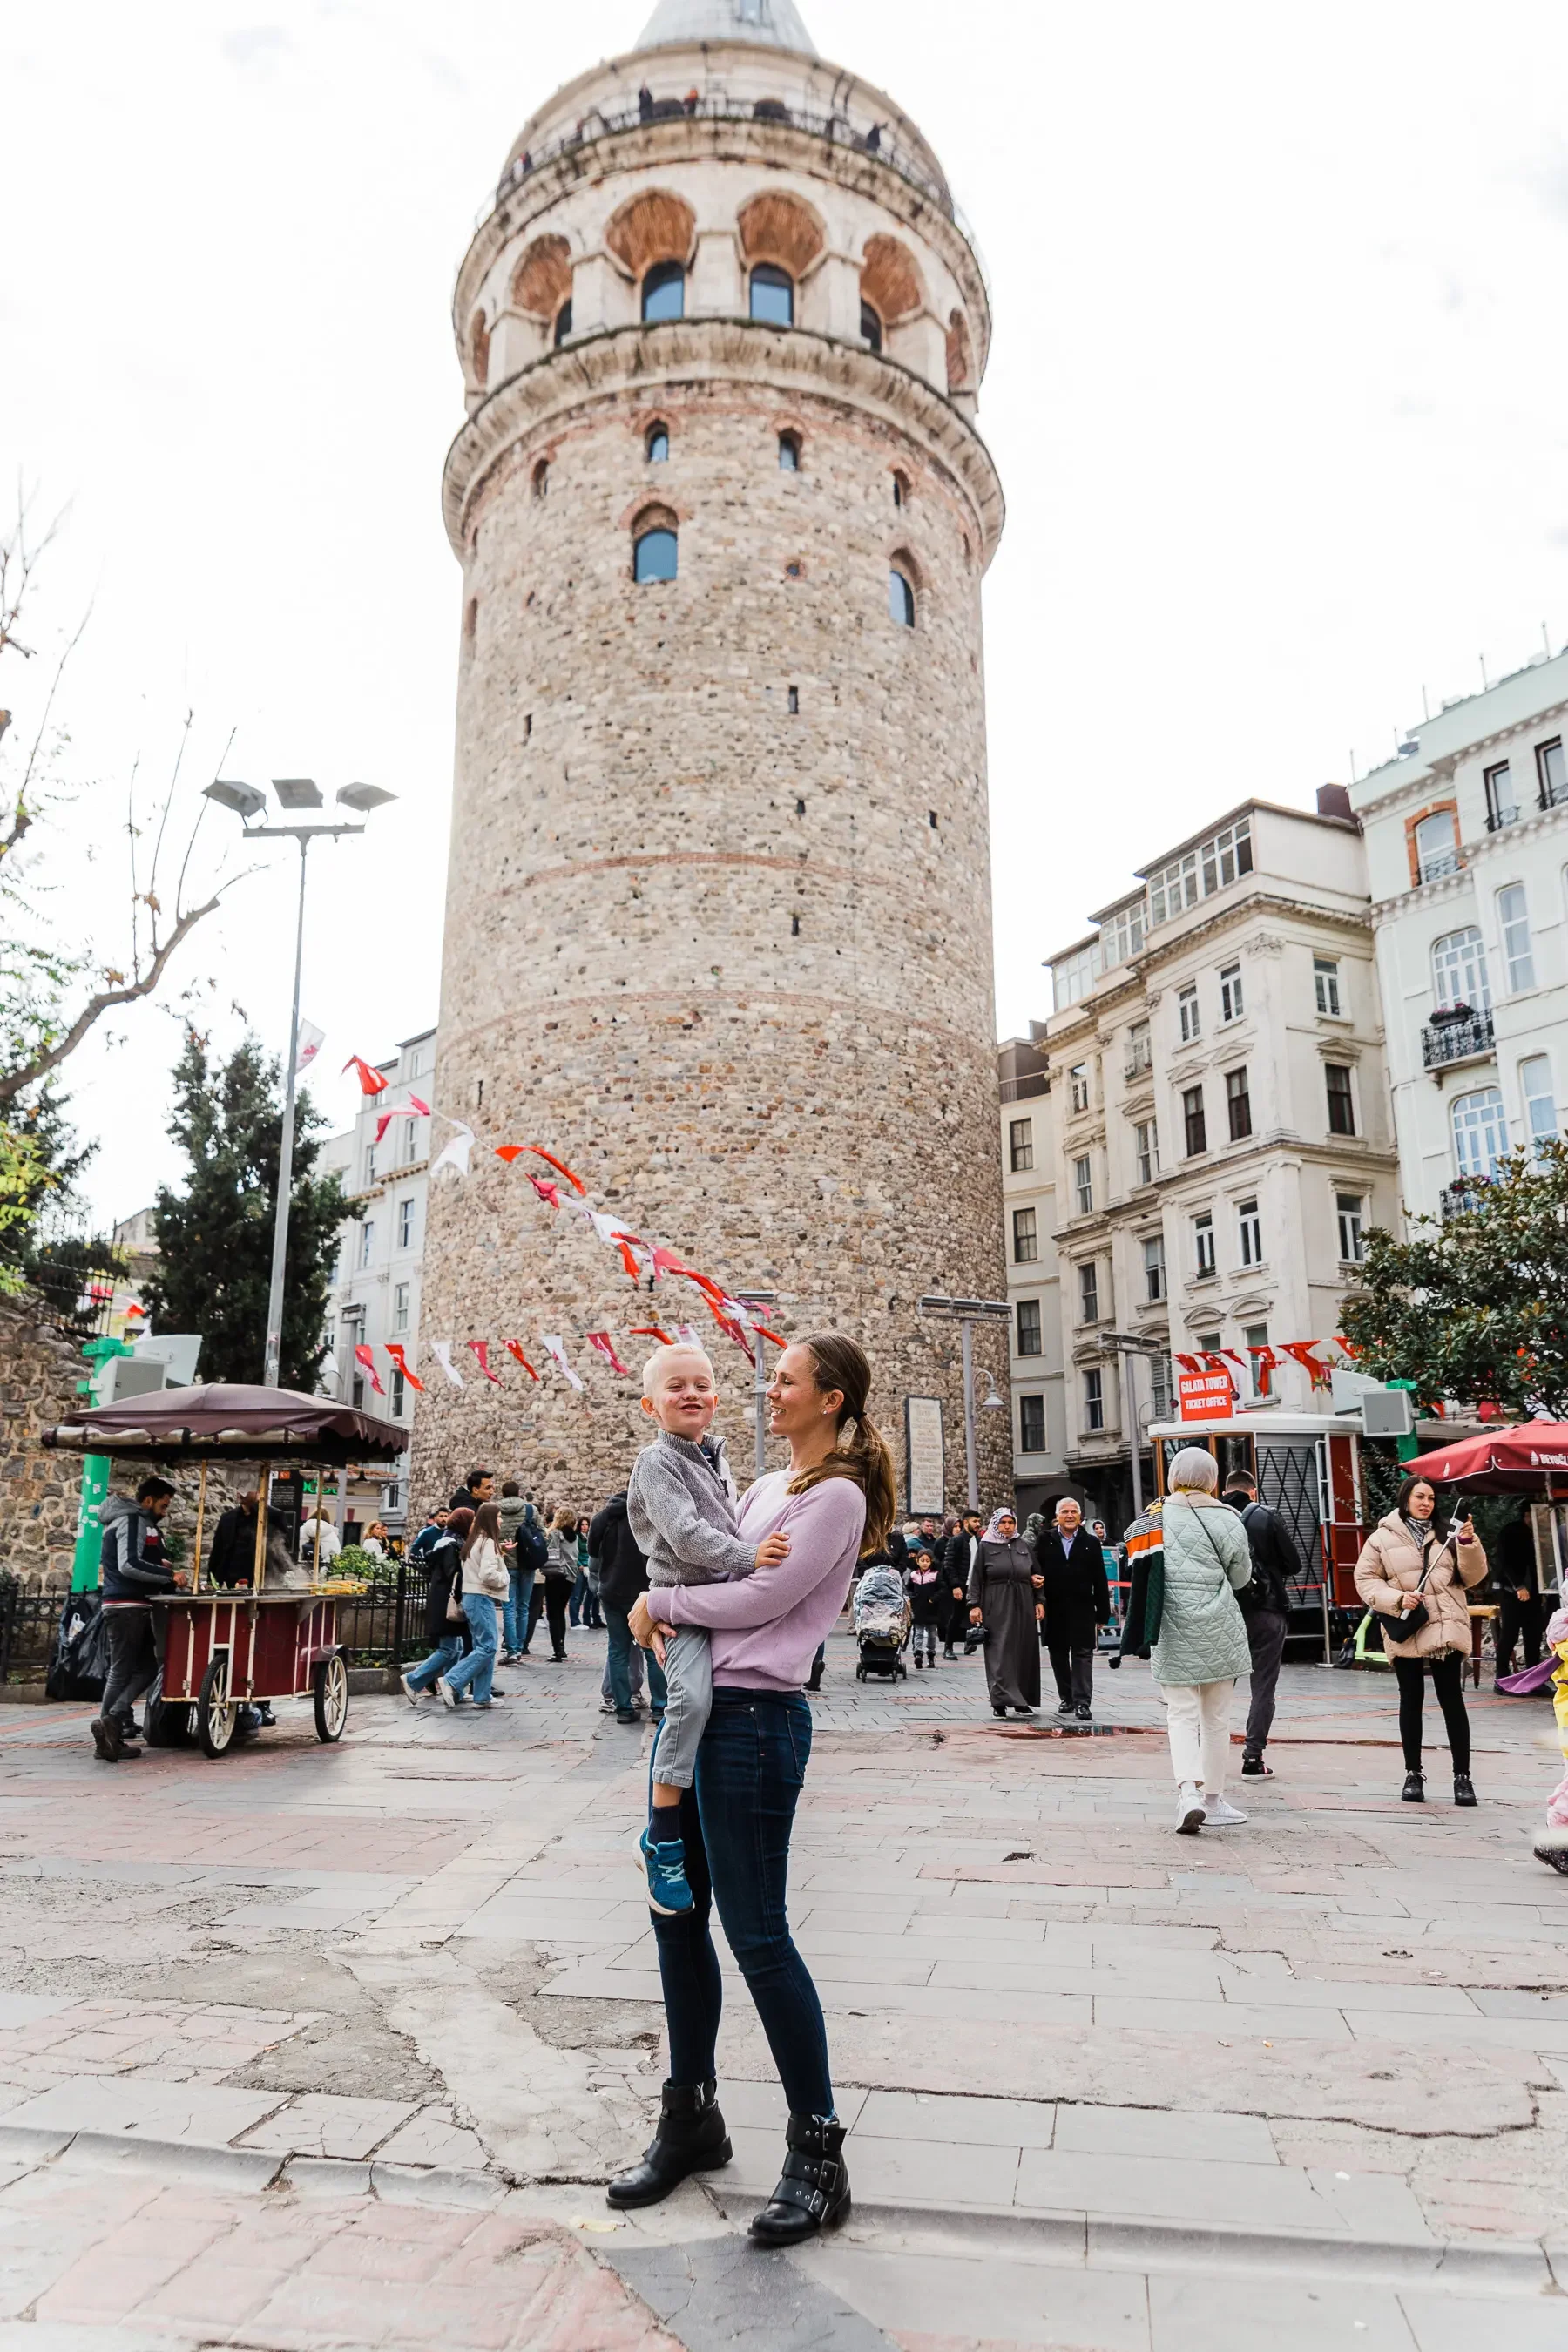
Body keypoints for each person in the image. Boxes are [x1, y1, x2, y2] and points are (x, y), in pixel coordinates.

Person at [615, 1333, 896, 2246]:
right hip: (695, 1717)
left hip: (754, 1725)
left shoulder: (836, 1496)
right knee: (677, 1917)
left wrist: (658, 1606)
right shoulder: (766, 1485)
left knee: (758, 1934)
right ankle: (690, 2115)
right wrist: (665, 1595)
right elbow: (709, 1558)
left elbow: (756, 1602)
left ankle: (819, 2153)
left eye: (785, 1382)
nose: (766, 1392)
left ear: (831, 1400)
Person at [626, 1346, 791, 1911]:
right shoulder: (657, 1461)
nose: (690, 1393)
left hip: (715, 1594)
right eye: (675, 1387)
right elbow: (686, 1536)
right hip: (685, 1605)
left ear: (717, 1399)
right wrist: (750, 1558)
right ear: (651, 1404)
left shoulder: (714, 1456)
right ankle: (662, 1837)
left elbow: (728, 1517)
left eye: (701, 1384)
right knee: (691, 1701)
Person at [1354, 1476, 1488, 1806]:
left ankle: (1463, 1778)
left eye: (1430, 1498)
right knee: (1410, 1699)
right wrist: (1396, 1598)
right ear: (1405, 1499)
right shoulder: (1381, 1538)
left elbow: (1473, 1577)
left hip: (1445, 1625)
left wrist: (1469, 1544)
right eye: (1419, 1497)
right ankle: (1413, 1774)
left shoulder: (1449, 1534)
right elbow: (1366, 1579)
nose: (1426, 1503)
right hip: (1409, 1624)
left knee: (1451, 1700)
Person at [1153, 1450, 1256, 1834]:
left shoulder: (1153, 1517)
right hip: (1219, 1626)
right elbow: (1241, 1576)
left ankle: (1188, 1794)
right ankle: (1214, 1800)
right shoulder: (1229, 1517)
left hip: (1171, 1625)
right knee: (1215, 1719)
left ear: (1174, 1476)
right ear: (1213, 1480)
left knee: (1180, 1713)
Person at [91, 1477, 185, 1762]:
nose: (166, 1510)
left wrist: (160, 1564)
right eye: (163, 1504)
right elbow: (128, 1564)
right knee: (122, 1670)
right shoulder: (131, 1521)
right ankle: (108, 1731)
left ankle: (112, 1721)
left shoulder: (140, 1524)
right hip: (126, 1604)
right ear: (148, 1500)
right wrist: (169, 1575)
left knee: (146, 1667)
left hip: (133, 1604)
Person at [1220, 1469, 1305, 1779]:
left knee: (1217, 1687)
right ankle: (1252, 1758)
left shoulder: (1214, 1518)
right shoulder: (1265, 1516)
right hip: (1266, 1609)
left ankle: (1208, 1756)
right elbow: (1294, 1563)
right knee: (1263, 1686)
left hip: (1224, 1613)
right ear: (1252, 1491)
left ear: (1226, 1490)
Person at [593, 1484, 667, 1725]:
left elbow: (593, 1553)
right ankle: (659, 1707)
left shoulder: (604, 1517)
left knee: (617, 1651)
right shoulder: (652, 1512)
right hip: (645, 1591)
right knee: (651, 1649)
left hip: (612, 1591)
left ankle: (623, 1708)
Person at [1034, 1497, 1111, 1721]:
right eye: (1065, 1512)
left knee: (1083, 1655)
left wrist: (1103, 1612)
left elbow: (1100, 1579)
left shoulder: (1091, 1542)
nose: (1069, 1516)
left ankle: (1082, 1702)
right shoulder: (1044, 1539)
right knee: (1057, 1654)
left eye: (1073, 1512)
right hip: (1053, 1607)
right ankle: (1066, 1697)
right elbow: (1034, 1568)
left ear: (1080, 1516)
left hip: (1082, 1608)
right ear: (1057, 1517)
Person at [967, 1506, 1044, 1718]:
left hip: (1023, 1601)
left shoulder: (1023, 1545)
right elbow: (976, 1578)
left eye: (1011, 1522)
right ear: (996, 1524)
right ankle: (1000, 1700)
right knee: (999, 1651)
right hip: (995, 1602)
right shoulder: (986, 1546)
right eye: (1003, 1522)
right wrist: (974, 1605)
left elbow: (1036, 1573)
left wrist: (1039, 1600)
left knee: (1023, 1650)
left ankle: (1021, 1700)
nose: (1007, 1526)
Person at [436, 1502, 510, 1708]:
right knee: (488, 1646)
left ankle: (482, 1695)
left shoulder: (474, 1540)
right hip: (480, 1597)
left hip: (471, 1596)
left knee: (482, 1646)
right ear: (490, 1519)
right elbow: (487, 1574)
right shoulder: (487, 1541)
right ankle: (453, 1679)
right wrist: (504, 1577)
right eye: (498, 1516)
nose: (501, 1520)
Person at [401, 1509, 471, 1702]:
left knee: (454, 1648)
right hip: (444, 1602)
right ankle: (413, 1680)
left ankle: (455, 1689)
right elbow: (453, 1574)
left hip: (441, 1600)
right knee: (448, 1649)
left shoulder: (450, 1541)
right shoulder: (451, 1545)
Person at [1494, 1505, 1544, 1682]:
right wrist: (1518, 1586)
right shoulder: (1511, 1531)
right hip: (1510, 1590)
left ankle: (1533, 1678)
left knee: (1534, 1635)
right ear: (1526, 1514)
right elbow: (1504, 1561)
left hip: (1535, 1591)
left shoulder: (1541, 1532)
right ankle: (1501, 1676)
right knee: (1510, 1634)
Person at [528, 1508, 578, 1661]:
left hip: (556, 1576)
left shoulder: (555, 1533)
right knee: (560, 1612)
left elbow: (549, 1552)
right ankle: (561, 1647)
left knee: (552, 1614)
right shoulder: (574, 1536)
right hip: (571, 1577)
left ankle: (557, 1650)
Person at [497, 1483, 531, 1662]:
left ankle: (511, 1651)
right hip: (527, 1563)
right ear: (519, 1493)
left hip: (506, 1562)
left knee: (508, 1608)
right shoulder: (530, 1510)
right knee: (523, 1607)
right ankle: (520, 1646)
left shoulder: (496, 1511)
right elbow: (541, 1534)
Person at [943, 1511, 982, 1658]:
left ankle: (970, 1643)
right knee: (956, 1616)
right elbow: (949, 1565)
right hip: (961, 1584)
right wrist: (955, 1586)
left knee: (974, 1616)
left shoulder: (979, 1541)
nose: (978, 1524)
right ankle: (948, 1647)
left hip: (975, 1585)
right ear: (966, 1523)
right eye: (975, 1521)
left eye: (979, 1521)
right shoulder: (957, 1541)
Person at [207, 1491, 260, 1588]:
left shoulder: (272, 1517)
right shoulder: (227, 1518)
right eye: (239, 1487)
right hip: (230, 1580)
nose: (240, 1492)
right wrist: (211, 1582)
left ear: (258, 1491)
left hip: (259, 1580)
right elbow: (217, 1552)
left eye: (246, 1488)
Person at [907, 1546, 943, 1668]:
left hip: (931, 1609)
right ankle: (918, 1654)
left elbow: (942, 1589)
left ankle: (931, 1654)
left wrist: (934, 1598)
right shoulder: (913, 1575)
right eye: (922, 1560)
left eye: (927, 1561)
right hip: (918, 1608)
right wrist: (912, 1597)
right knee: (918, 1632)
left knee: (932, 1633)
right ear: (917, 1561)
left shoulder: (935, 1575)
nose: (925, 1563)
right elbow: (908, 1589)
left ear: (931, 1561)